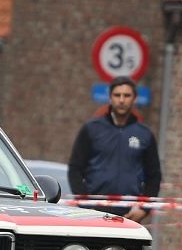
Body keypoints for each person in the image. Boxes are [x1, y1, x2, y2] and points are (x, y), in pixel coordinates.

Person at [67, 76, 161, 222]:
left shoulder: (145, 134)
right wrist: (85, 204)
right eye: (117, 95)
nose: (122, 100)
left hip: (129, 215)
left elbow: (154, 176)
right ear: (110, 97)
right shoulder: (91, 129)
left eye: (127, 95)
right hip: (94, 213)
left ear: (134, 98)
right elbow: (75, 169)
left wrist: (144, 208)